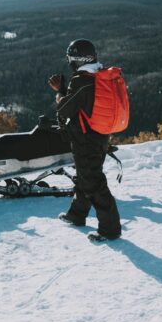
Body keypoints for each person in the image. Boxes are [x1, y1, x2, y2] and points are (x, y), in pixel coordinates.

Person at [48, 39, 122, 241]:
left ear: (78, 60)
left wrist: (59, 91)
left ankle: (110, 229)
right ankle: (77, 215)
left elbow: (65, 108)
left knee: (94, 183)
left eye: (71, 59)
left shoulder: (81, 80)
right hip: (100, 135)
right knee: (85, 176)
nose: (70, 62)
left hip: (85, 139)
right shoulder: (100, 74)